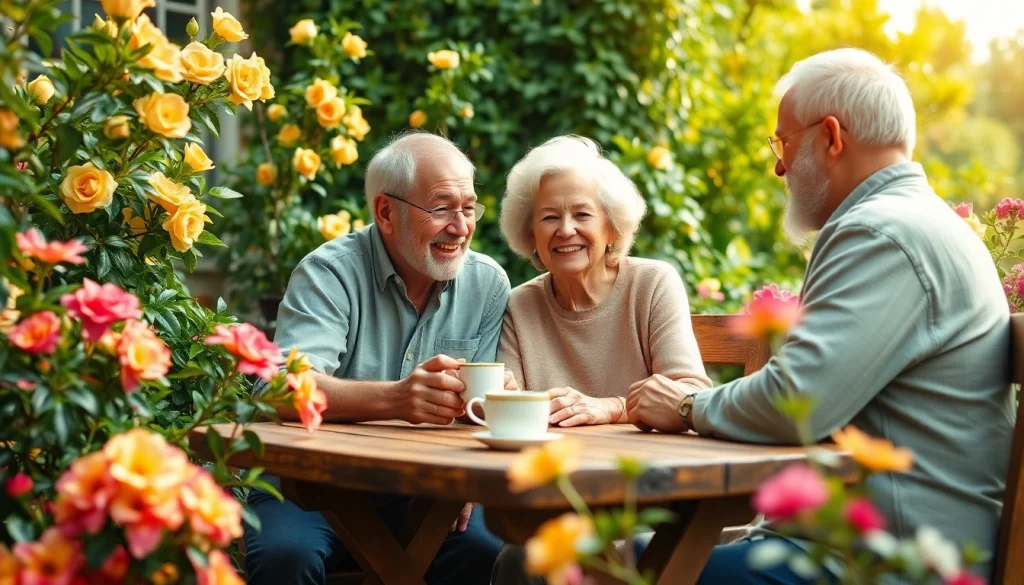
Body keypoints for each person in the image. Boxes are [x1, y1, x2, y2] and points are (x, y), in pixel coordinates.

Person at [625, 48, 1013, 583]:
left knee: (573, 565)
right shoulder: (915, 222)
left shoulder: (882, 233)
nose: (779, 165)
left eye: (784, 142)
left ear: (832, 137)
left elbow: (796, 403)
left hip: (885, 563)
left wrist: (688, 405)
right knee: (623, 554)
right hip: (883, 545)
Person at [244, 132, 511, 585]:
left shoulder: (487, 285)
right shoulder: (328, 273)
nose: (461, 226)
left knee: (489, 554)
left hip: (429, 492)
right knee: (285, 558)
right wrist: (396, 398)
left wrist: (473, 480)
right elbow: (279, 390)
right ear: (386, 212)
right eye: (442, 207)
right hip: (311, 488)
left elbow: (479, 415)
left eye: (468, 208)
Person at [497, 135, 711, 428]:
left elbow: (691, 395)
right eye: (549, 218)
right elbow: (508, 405)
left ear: (612, 228)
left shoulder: (652, 285)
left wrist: (613, 408)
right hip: (548, 465)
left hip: (639, 467)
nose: (565, 229)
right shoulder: (520, 305)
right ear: (531, 235)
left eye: (582, 214)